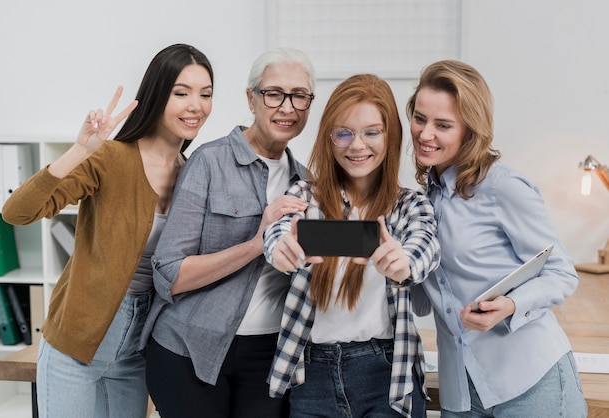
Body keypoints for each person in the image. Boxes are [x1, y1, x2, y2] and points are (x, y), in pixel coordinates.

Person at [2, 43, 214, 418]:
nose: (195, 105)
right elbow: (18, 212)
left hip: (136, 352)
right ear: (156, 94)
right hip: (76, 345)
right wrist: (80, 150)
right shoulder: (111, 158)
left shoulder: (195, 174)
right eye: (181, 92)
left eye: (205, 94)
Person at [140, 47, 315, 418]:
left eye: (299, 96)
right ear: (251, 99)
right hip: (188, 348)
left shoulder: (308, 183)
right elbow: (168, 274)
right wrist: (256, 243)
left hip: (270, 355)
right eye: (274, 94)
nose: (287, 107)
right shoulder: (209, 162)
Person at [407, 60, 587, 417]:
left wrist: (511, 305)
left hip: (531, 383)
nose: (425, 134)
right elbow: (423, 303)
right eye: (419, 118)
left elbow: (562, 273)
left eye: (443, 125)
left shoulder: (502, 188)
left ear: (470, 131)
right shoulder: (423, 202)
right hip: (462, 393)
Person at [262, 74, 441, 418]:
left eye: (371, 132)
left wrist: (402, 263)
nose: (357, 145)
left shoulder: (410, 205)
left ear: (390, 137)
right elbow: (280, 231)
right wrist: (280, 248)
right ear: (329, 139)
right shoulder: (304, 195)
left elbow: (425, 248)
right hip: (311, 376)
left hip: (386, 375)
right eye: (343, 133)